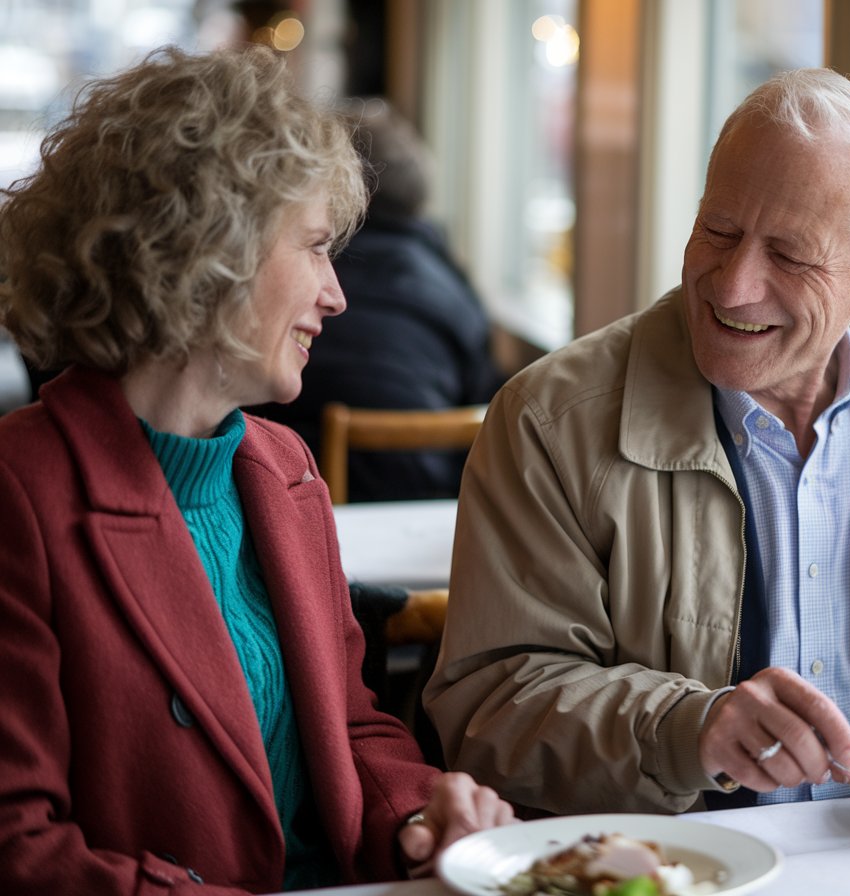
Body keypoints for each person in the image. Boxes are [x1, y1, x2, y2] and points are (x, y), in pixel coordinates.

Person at [423, 67, 850, 816]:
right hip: (687, 866)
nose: (732, 286)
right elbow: (493, 703)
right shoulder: (550, 419)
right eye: (718, 231)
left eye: (789, 255)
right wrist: (686, 730)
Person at [0, 45, 514, 894]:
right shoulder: (25, 493)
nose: (337, 294)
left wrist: (421, 815)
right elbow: (19, 847)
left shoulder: (281, 468)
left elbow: (351, 727)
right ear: (209, 252)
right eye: (314, 247)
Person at [255, 98, 506, 502]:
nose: (335, 299)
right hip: (428, 501)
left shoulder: (302, 276)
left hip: (292, 492)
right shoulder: (450, 284)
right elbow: (484, 398)